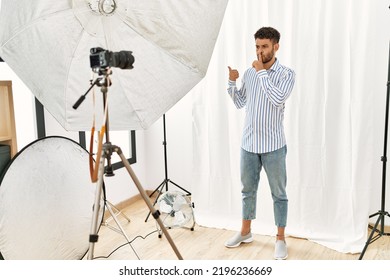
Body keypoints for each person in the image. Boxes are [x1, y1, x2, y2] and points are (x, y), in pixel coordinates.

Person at [225, 27, 295, 260]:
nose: (259, 51)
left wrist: (261, 72)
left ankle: (280, 238)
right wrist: (232, 83)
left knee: (279, 194)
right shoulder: (250, 72)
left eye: (264, 46)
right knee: (247, 191)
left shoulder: (286, 74)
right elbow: (240, 102)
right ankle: (245, 232)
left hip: (274, 145)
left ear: (276, 46)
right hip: (249, 144)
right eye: (257, 46)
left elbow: (276, 99)